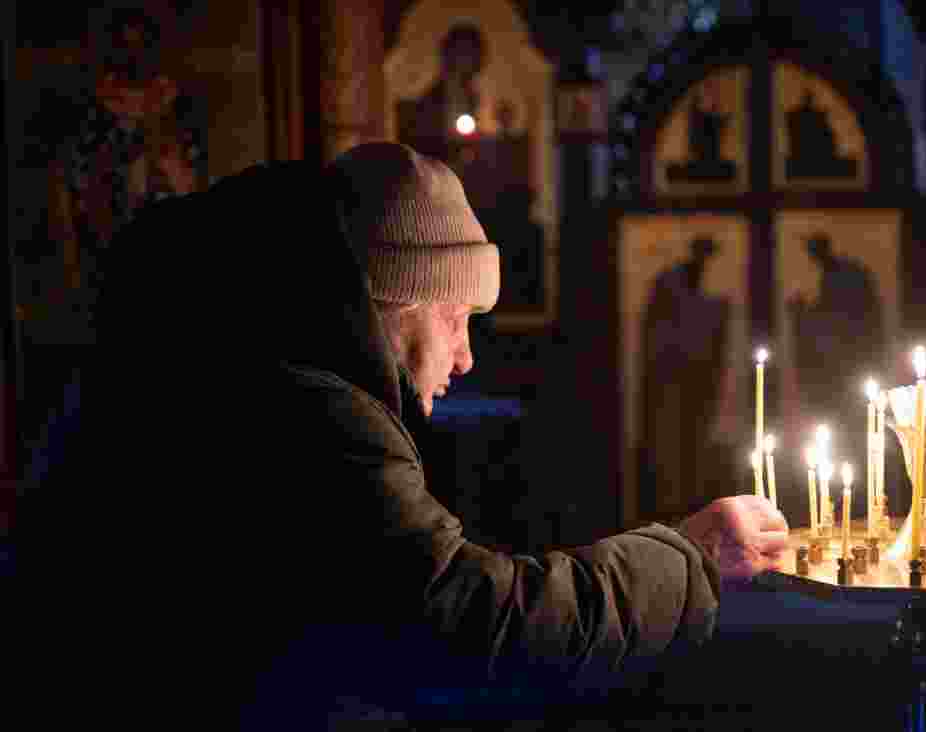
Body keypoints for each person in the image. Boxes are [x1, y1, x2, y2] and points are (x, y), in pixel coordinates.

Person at [15, 143, 787, 728]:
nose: (466, 354)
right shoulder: (309, 415)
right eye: (455, 320)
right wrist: (686, 560)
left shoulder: (242, 364)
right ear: (392, 301)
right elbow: (470, 625)